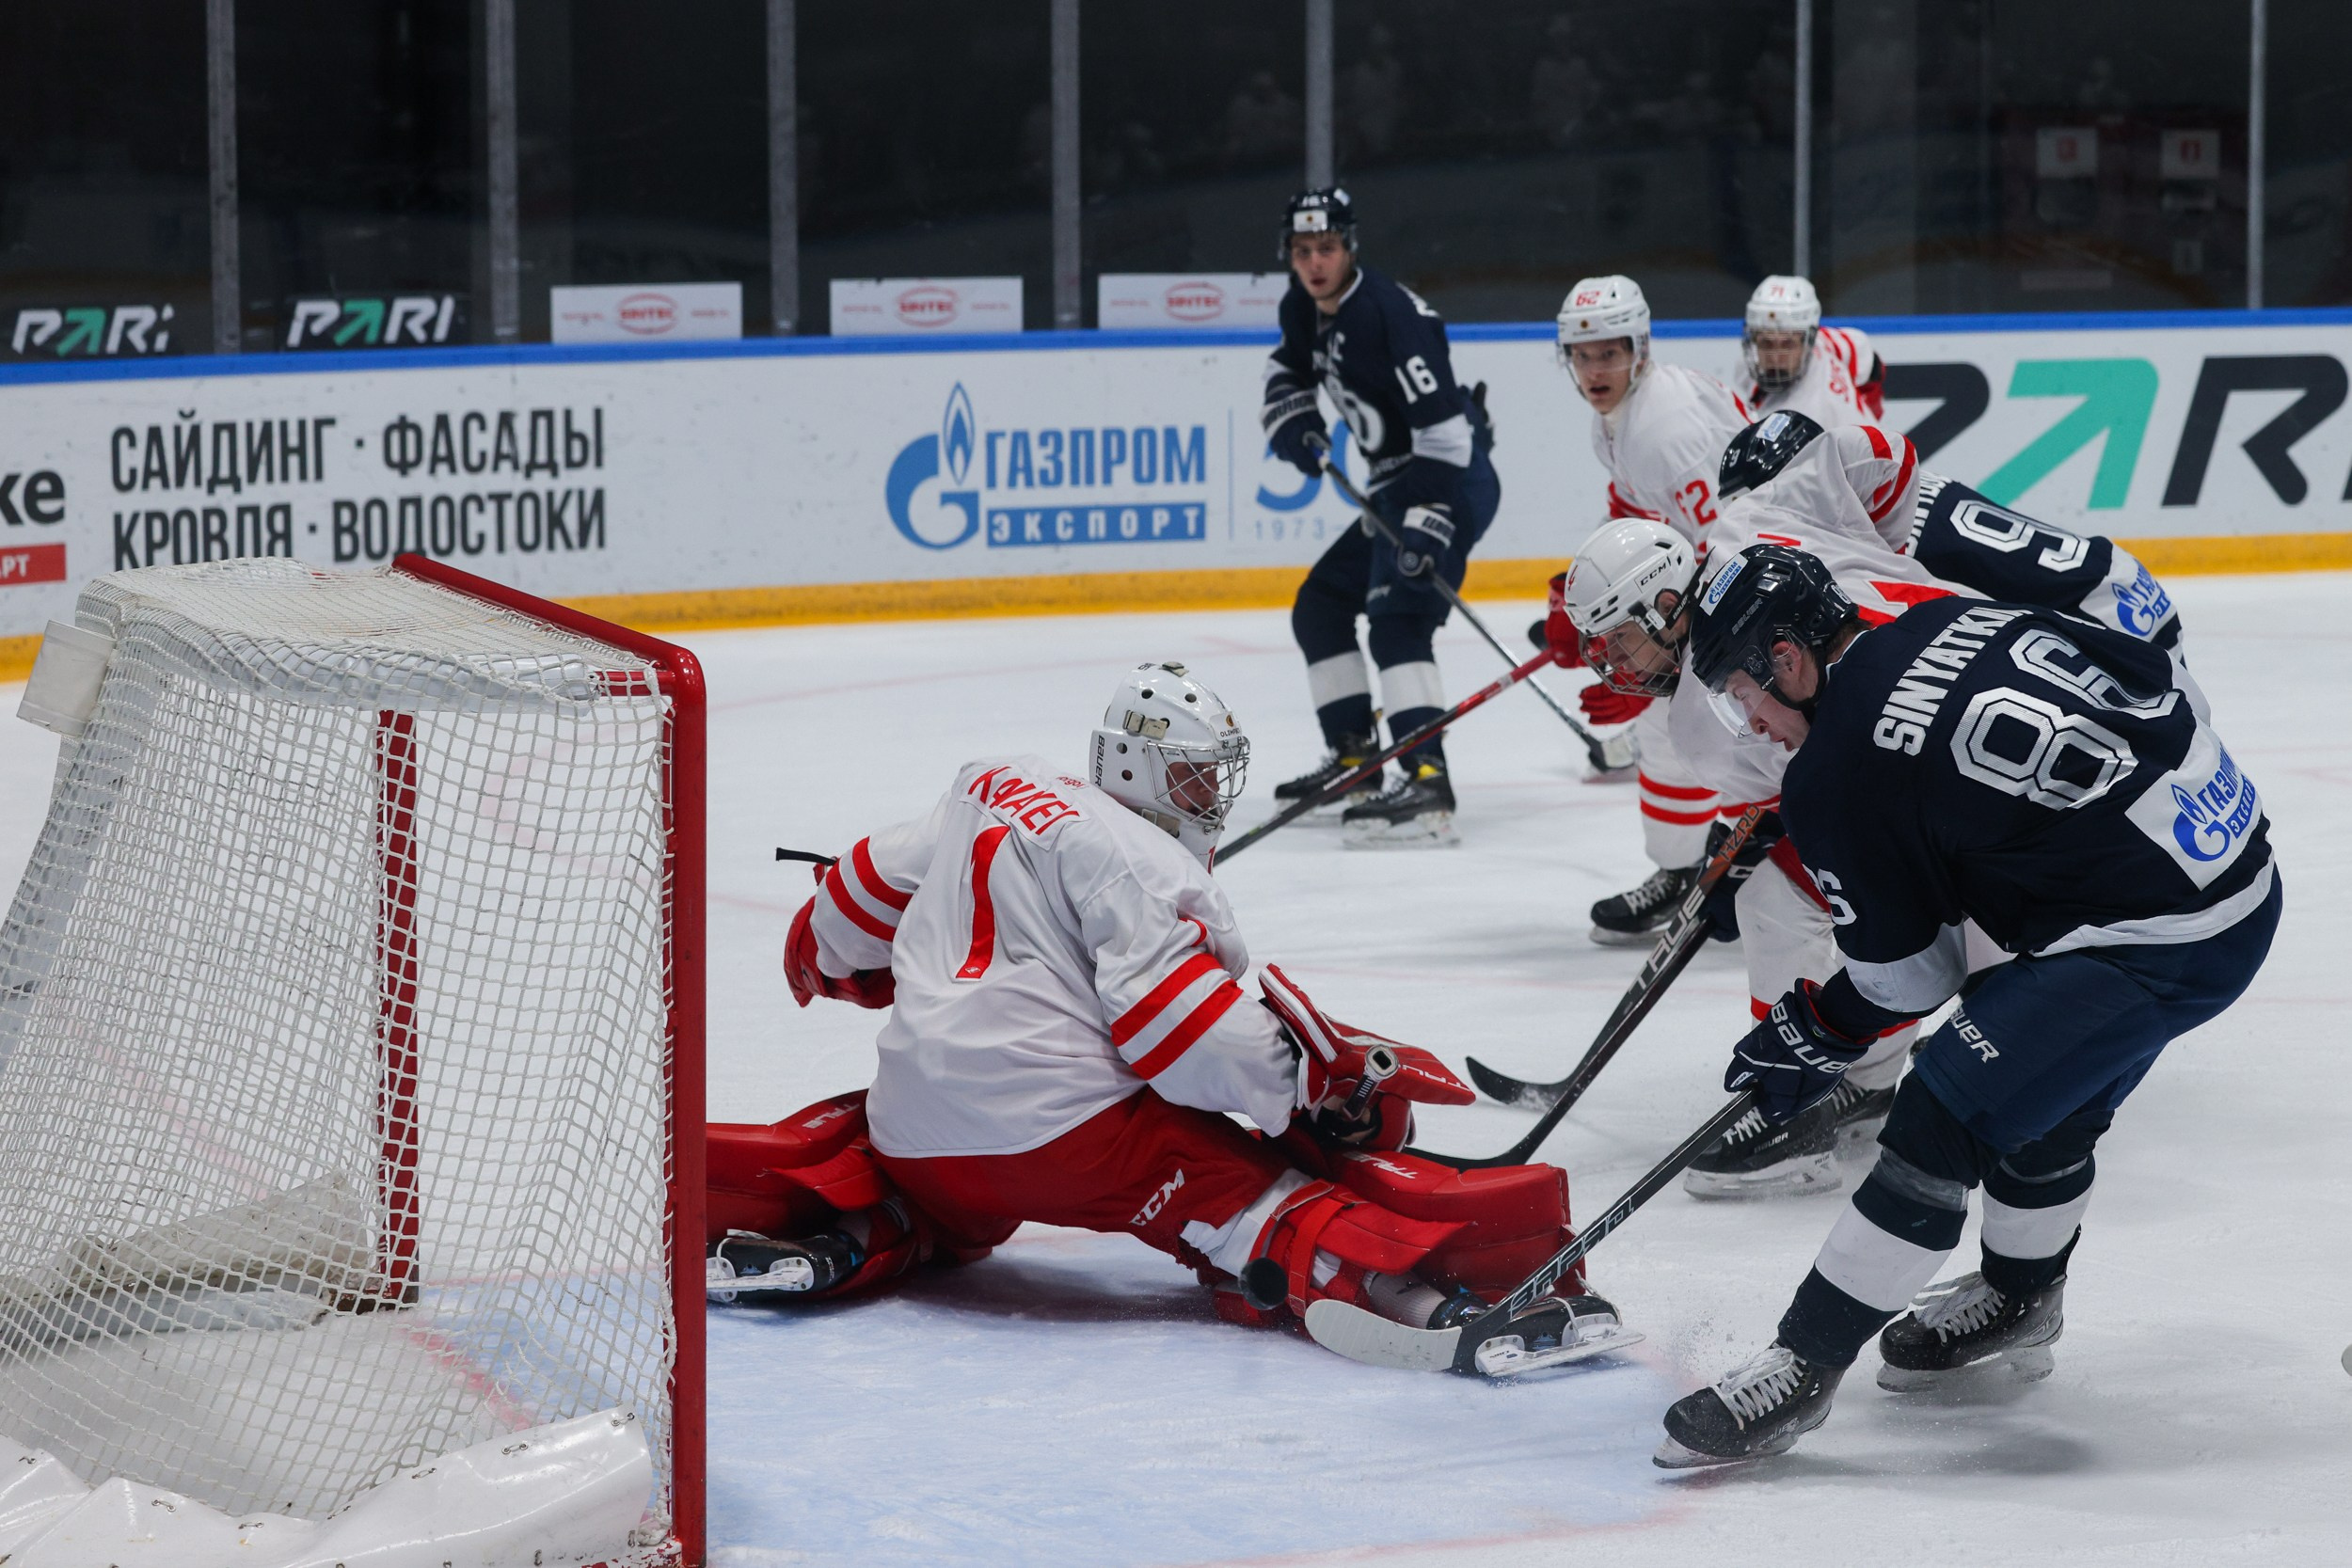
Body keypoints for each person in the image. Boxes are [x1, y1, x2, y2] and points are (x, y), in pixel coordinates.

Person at [716, 661, 1631, 1371]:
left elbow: (849, 902)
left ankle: (853, 1232)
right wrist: (1297, 1090)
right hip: (1070, 1144)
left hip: (920, 1136)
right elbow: (1181, 1036)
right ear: (1131, 766)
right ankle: (1430, 1305)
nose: (1208, 802)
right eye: (1192, 781)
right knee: (1250, 1192)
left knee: (916, 1171)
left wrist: (827, 950)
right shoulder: (1147, 861)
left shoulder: (986, 786)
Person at [1652, 546, 2278, 1466]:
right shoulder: (1943, 618)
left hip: (2150, 937)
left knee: (1935, 1125)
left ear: (1788, 656)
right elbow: (2156, 671)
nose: (1744, 715)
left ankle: (1800, 1363)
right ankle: (2022, 1298)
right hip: (2232, 872)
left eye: (1741, 686)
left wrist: (1812, 1030)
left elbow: (1908, 980)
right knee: (2039, 1102)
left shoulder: (1837, 773)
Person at [1545, 434, 1963, 1194]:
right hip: (1980, 665)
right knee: (1798, 881)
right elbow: (1869, 450)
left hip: (1945, 778)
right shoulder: (1750, 522)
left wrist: (1759, 837)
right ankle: (1868, 1071)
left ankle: (1801, 1102)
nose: (1618, 667)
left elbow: (1832, 801)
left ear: (1668, 605)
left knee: (1785, 893)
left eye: (1624, 643)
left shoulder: (1704, 716)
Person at [1262, 188, 1502, 846]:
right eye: (1303, 251)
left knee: (1400, 618)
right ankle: (1355, 760)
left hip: (1449, 481)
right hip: (1392, 487)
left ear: (1350, 248)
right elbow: (1286, 367)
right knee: (1320, 605)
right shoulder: (1302, 307)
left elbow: (1447, 436)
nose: (1315, 263)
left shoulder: (1389, 315)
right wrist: (1293, 415)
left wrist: (1430, 514)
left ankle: (1426, 772)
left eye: (1327, 249)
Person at [1554, 275, 1752, 942]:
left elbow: (1730, 544)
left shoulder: (1662, 429)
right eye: (1581, 355)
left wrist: (1662, 647)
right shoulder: (1617, 420)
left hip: (1774, 574)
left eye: (1608, 353)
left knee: (1684, 719)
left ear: (1639, 349)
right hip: (1744, 563)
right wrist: (1586, 600)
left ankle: (1711, 867)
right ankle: (1690, 867)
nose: (1594, 370)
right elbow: (1640, 511)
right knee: (1673, 721)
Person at [1716, 409, 2185, 659]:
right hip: (2122, 591)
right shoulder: (1885, 496)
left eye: (1767, 494)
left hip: (2111, 622)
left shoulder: (1871, 554)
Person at [1739, 276, 1883, 428]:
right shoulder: (1829, 341)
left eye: (1787, 344)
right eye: (1766, 343)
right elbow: (1867, 357)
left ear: (1808, 342)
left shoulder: (1805, 417)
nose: (1775, 358)